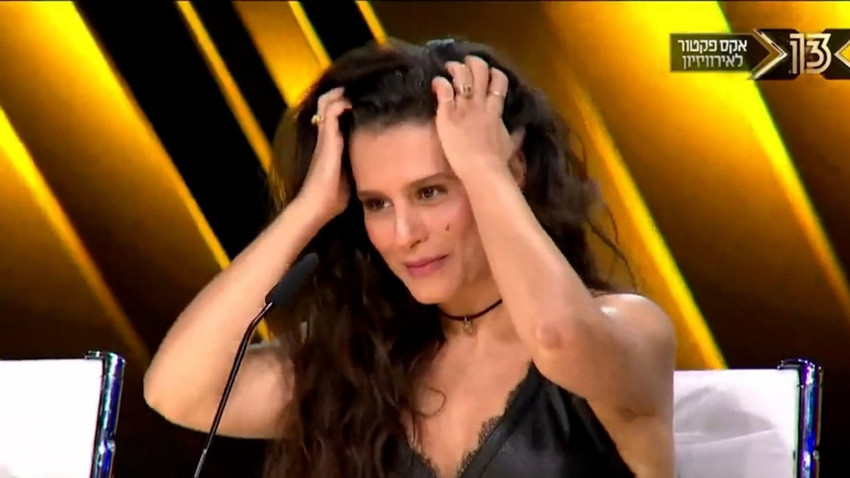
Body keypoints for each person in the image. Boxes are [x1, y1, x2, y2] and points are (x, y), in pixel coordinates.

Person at [143, 37, 676, 478]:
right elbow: (178, 391)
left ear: (514, 170)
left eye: (430, 192)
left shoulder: (630, 327)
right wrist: (310, 207)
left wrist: (484, 169)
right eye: (376, 203)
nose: (403, 235)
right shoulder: (361, 360)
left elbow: (557, 336)